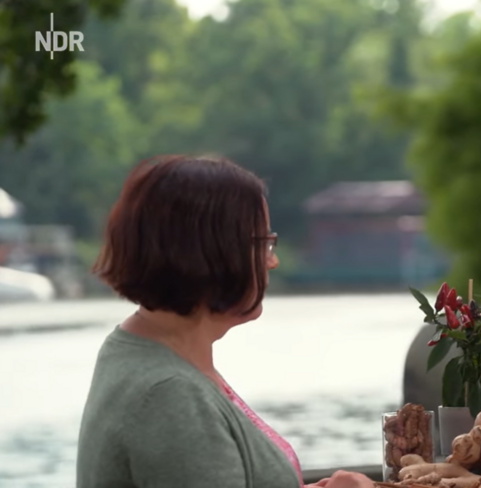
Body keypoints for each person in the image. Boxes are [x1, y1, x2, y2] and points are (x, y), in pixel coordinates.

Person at [76, 155, 375, 488]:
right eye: (264, 244)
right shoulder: (171, 397)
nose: (272, 262)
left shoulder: (138, 350)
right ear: (214, 250)